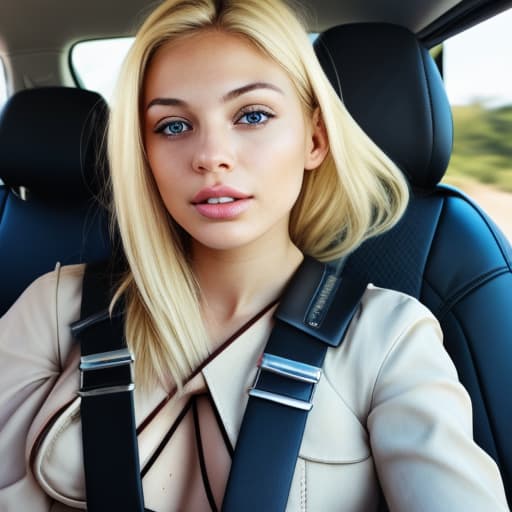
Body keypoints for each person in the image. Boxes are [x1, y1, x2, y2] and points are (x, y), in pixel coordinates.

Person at [0, 0, 508, 510]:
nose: (210, 156)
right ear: (143, 154)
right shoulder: (53, 311)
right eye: (173, 126)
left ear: (314, 139)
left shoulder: (389, 338)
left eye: (253, 115)